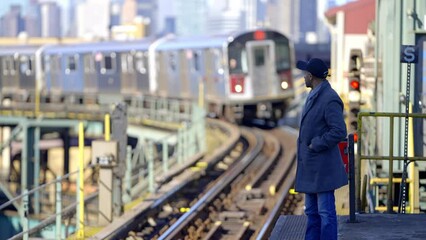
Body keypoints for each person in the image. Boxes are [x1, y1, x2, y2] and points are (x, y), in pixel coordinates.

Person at [295, 58, 348, 240]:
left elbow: (339, 131)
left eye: (305, 74)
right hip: (312, 166)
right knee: (311, 211)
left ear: (310, 76)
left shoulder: (329, 98)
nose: (303, 77)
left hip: (323, 167)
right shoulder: (315, 94)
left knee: (325, 212)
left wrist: (316, 143)